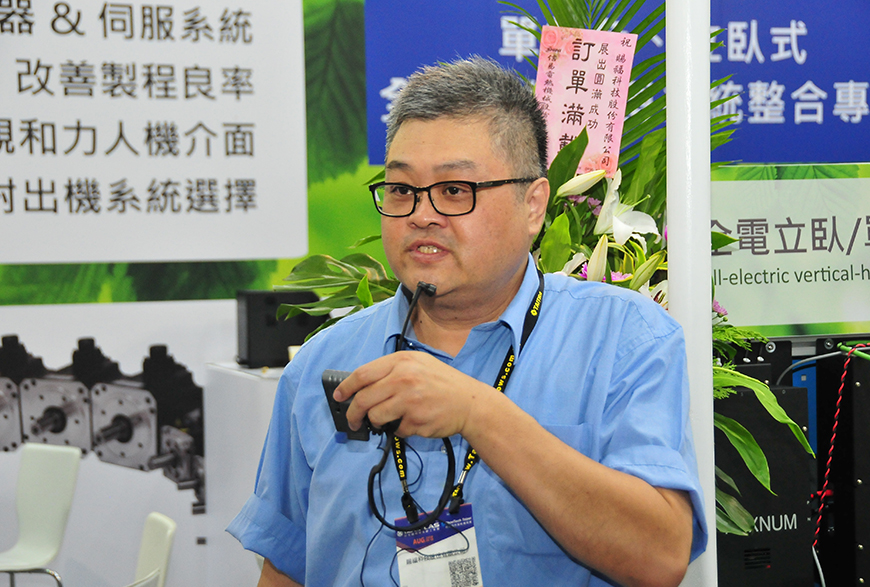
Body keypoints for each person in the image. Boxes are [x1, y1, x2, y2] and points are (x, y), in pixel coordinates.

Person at [228, 56, 707, 587]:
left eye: (455, 190)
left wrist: (480, 414)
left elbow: (659, 558)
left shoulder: (621, 337)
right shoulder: (325, 361)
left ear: (534, 205)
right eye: (401, 189)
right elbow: (286, 570)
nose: (421, 214)